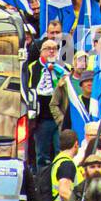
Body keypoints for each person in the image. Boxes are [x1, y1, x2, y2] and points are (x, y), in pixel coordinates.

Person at [24, 38, 69, 168]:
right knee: (42, 155)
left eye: (54, 49)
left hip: (60, 117)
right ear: (41, 52)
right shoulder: (32, 68)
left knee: (60, 152)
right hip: (42, 119)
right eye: (47, 49)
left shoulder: (63, 69)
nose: (51, 52)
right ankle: (41, 182)